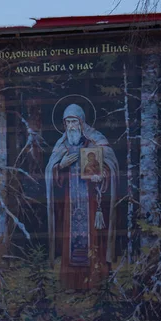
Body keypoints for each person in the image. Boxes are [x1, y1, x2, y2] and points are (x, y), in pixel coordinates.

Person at [45, 103, 119, 290]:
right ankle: (71, 284)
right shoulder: (61, 145)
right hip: (70, 203)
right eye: (67, 122)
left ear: (81, 122)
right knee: (70, 241)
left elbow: (111, 165)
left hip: (92, 201)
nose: (71, 126)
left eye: (74, 121)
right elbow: (50, 174)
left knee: (94, 239)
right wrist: (60, 166)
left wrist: (102, 174)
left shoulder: (95, 141)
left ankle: (95, 283)